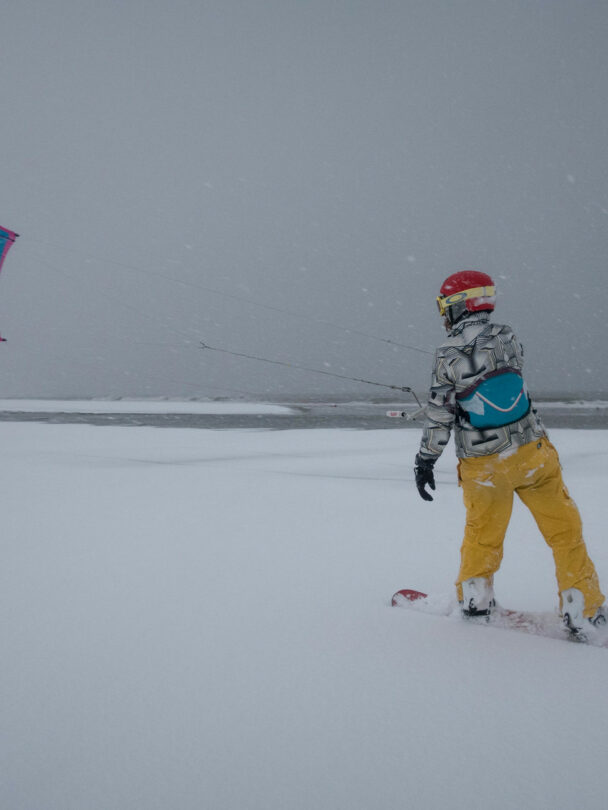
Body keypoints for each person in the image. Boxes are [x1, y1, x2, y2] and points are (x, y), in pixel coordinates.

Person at [414, 269, 605, 635]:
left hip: (484, 467)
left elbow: (441, 413)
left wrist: (426, 459)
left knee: (483, 536)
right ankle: (582, 607)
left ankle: (475, 599)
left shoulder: (445, 354)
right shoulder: (508, 336)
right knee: (565, 533)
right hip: (533, 456)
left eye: (444, 307)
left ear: (457, 306)